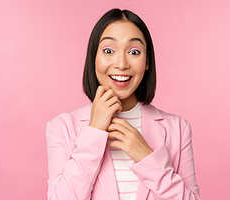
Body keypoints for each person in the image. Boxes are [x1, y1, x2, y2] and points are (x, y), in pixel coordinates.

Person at [46, 9, 200, 200]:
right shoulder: (60, 127)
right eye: (108, 51)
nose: (121, 64)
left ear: (147, 61)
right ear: (93, 57)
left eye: (134, 52)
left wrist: (147, 158)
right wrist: (93, 131)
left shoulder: (179, 129)